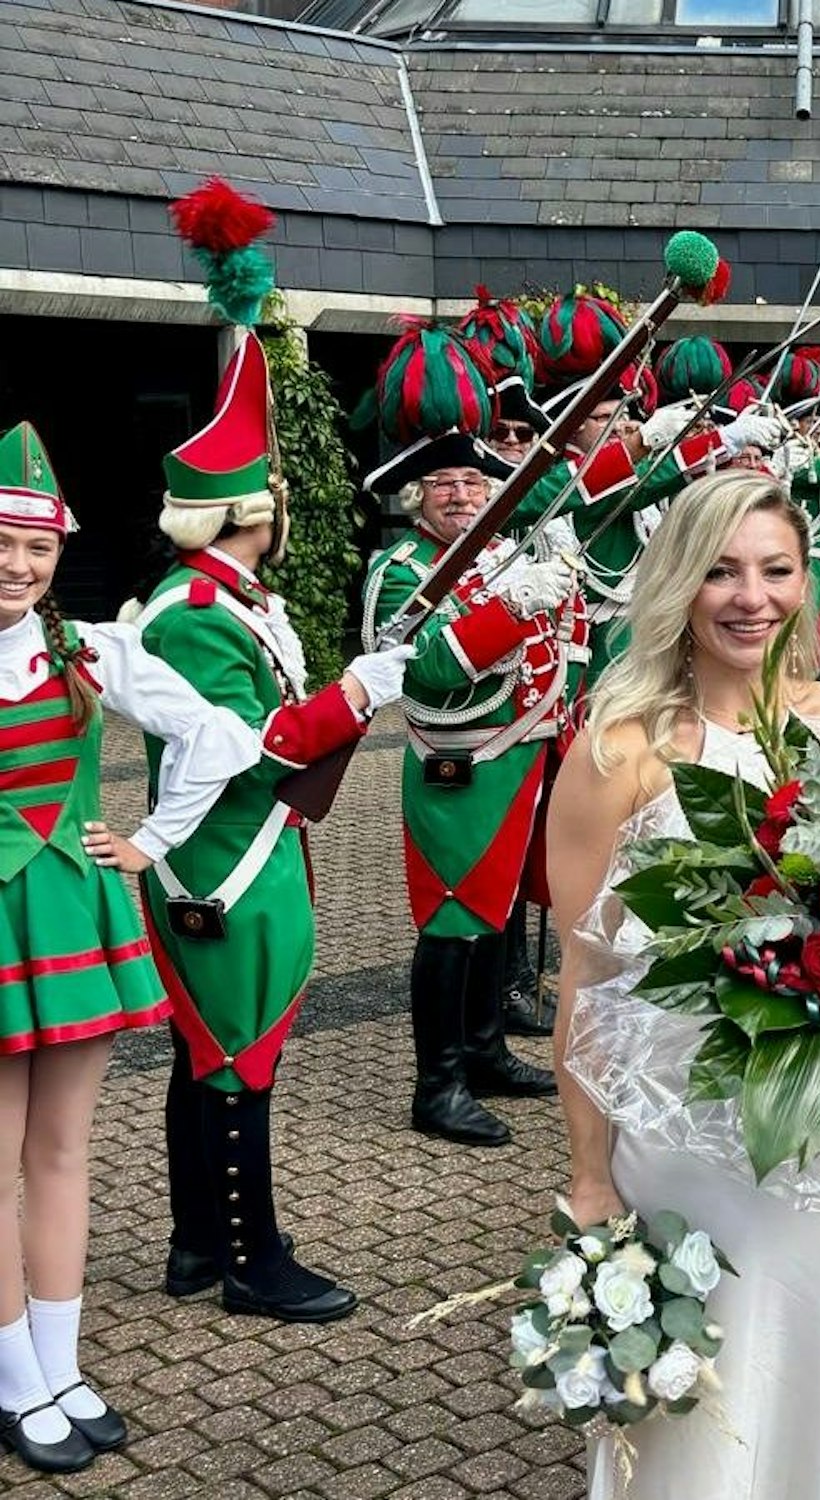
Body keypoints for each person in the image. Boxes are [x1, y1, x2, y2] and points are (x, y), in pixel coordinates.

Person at [546, 469, 820, 1500]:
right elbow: (583, 982)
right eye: (720, 572)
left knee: (798, 1375)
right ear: (679, 582)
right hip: (678, 1133)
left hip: (818, 1131)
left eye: (774, 571)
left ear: (804, 584)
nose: (749, 598)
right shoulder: (619, 750)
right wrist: (590, 1181)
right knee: (687, 1405)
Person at [0, 422, 262, 1475]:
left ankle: (58, 1366)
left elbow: (222, 736)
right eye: (2, 543)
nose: (18, 565)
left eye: (37, 548)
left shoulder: (86, 648)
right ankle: (17, 1380)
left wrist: (147, 840)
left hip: (67, 910)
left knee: (63, 1150)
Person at [136, 334, 412, 1322]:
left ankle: (195, 1242)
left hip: (237, 854)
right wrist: (349, 696)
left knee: (207, 1055)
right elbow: (247, 748)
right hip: (222, 864)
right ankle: (252, 1261)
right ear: (253, 510)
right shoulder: (196, 613)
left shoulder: (225, 599)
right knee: (235, 1062)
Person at [357, 331, 571, 1148]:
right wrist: (512, 606)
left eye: (473, 479)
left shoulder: (490, 559)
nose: (458, 493)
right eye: (441, 483)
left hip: (513, 759)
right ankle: (436, 1084)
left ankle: (483, 1051)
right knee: (450, 926)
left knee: (494, 916)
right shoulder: (404, 570)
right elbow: (432, 669)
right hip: (458, 770)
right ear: (416, 499)